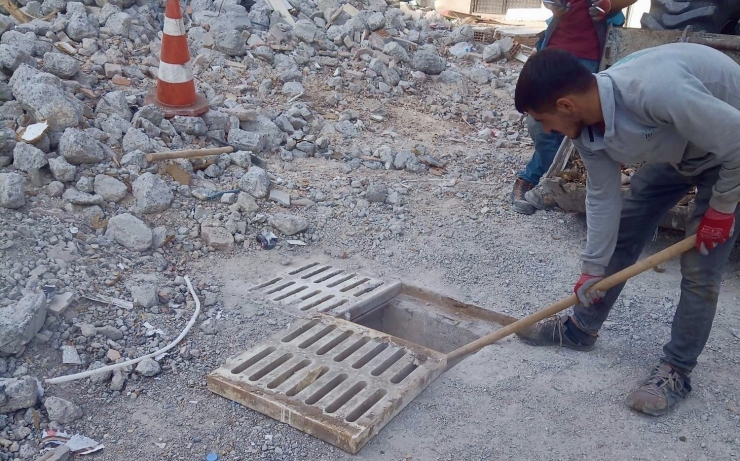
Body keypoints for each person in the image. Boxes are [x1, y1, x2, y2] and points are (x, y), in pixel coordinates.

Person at [512, 42, 740, 416]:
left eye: (545, 120)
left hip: (730, 151)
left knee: (702, 264)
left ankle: (677, 370)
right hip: (678, 149)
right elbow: (602, 196)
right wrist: (593, 268)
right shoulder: (587, 128)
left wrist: (722, 208)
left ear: (566, 105)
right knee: (625, 230)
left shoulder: (657, 90)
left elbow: (736, 139)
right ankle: (580, 329)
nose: (548, 129)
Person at [510, 0, 636, 215]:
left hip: (593, 54)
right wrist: (553, 5)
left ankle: (558, 184)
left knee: (582, 127)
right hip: (555, 49)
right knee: (542, 126)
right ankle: (554, 182)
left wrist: (609, 4)